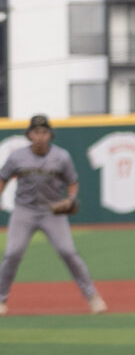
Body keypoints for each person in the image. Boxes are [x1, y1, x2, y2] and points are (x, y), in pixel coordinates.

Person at [0, 114, 108, 316]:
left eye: (44, 132)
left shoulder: (61, 156)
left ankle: (93, 297)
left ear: (50, 135)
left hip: (52, 211)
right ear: (29, 135)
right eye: (36, 132)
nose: (40, 136)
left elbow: (72, 181)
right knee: (13, 253)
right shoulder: (17, 157)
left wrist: (71, 198)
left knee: (68, 252)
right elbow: (3, 177)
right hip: (24, 211)